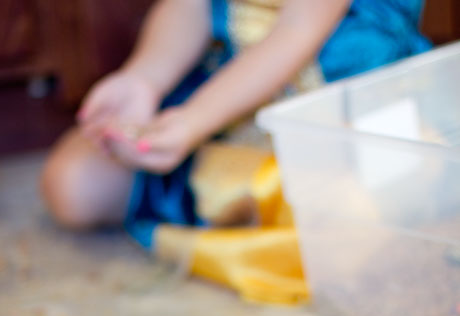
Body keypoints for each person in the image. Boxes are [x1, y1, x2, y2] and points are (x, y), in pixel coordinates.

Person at [41, 0, 430, 247]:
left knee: (364, 231)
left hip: (342, 115)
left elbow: (298, 30)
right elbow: (189, 6)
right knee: (73, 184)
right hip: (229, 102)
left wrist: (194, 120)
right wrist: (143, 79)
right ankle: (235, 207)